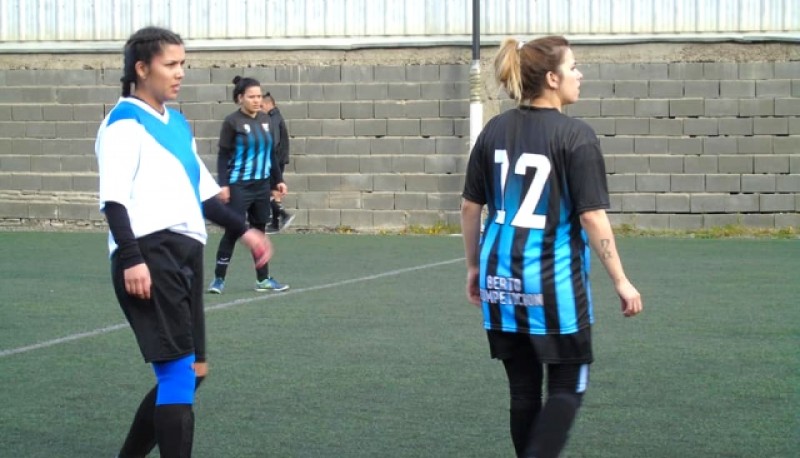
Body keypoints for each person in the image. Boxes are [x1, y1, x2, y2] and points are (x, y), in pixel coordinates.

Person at [460, 36, 643, 458]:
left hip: (499, 280)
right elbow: (592, 216)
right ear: (551, 78)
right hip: (551, 284)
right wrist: (621, 280)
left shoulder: (494, 129)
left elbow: (471, 207)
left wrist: (473, 268)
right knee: (568, 385)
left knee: (523, 391)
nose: (580, 75)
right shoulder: (576, 136)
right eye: (574, 67)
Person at [96, 26, 271, 457]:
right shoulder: (123, 123)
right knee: (177, 374)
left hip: (186, 255)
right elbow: (113, 201)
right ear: (142, 68)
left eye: (183, 64)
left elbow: (206, 195)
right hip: (149, 255)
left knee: (193, 371)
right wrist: (132, 258)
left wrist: (245, 231)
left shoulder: (175, 122)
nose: (180, 73)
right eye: (170, 64)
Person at [207, 77, 290, 294]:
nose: (256, 100)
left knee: (259, 231)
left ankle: (263, 280)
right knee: (234, 230)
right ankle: (218, 280)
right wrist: (223, 185)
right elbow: (223, 156)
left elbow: (271, 154)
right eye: (251, 96)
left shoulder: (266, 120)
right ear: (240, 98)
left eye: (259, 96)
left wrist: (278, 180)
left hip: (261, 187)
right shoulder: (232, 122)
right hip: (239, 186)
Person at [261, 92, 295, 233]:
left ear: (269, 104)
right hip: (276, 160)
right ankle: (275, 223)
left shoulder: (273, 119)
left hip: (274, 160)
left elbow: (273, 142)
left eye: (262, 106)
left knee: (266, 191)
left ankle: (282, 216)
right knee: (274, 192)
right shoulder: (275, 117)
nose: (260, 109)